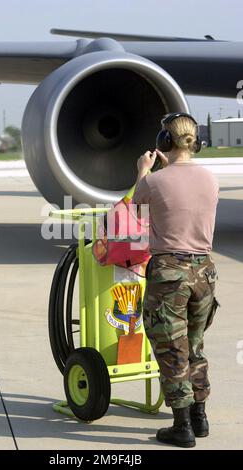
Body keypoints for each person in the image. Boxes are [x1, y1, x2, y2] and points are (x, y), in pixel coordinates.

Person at [132, 112, 220, 448]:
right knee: (195, 344)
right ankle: (200, 416)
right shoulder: (211, 179)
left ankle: (181, 426)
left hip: (169, 271)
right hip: (205, 272)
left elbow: (136, 204)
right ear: (195, 143)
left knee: (172, 350)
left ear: (164, 142)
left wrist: (144, 169)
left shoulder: (155, 181)